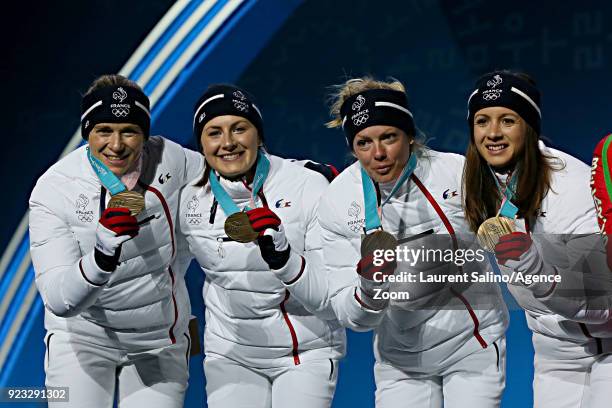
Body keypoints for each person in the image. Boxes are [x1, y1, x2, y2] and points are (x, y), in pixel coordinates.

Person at [316, 77, 509, 407]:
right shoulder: (336, 201)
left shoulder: (457, 173)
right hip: (400, 362)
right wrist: (370, 285)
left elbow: (510, 230)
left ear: (409, 135)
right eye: (364, 143)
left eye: (388, 137)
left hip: (472, 344)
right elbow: (354, 319)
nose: (378, 154)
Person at [29, 74, 204, 407]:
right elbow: (59, 299)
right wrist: (102, 256)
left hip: (159, 340)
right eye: (104, 131)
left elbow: (228, 174)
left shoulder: (172, 159)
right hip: (83, 340)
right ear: (87, 133)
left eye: (129, 131)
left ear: (145, 134)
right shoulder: (54, 189)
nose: (117, 144)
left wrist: (295, 172)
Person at [178, 84, 345, 408]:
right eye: (214, 133)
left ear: (258, 134)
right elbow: (166, 275)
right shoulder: (189, 201)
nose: (227, 143)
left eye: (239, 128)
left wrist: (285, 259)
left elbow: (331, 300)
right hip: (231, 355)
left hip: (304, 354)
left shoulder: (306, 184)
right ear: (201, 142)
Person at [462, 70, 612, 407]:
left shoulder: (570, 185)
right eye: (483, 120)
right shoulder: (481, 185)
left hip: (607, 348)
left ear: (529, 127)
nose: (493, 133)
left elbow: (605, 304)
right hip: (552, 354)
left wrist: (536, 270)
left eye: (508, 120)